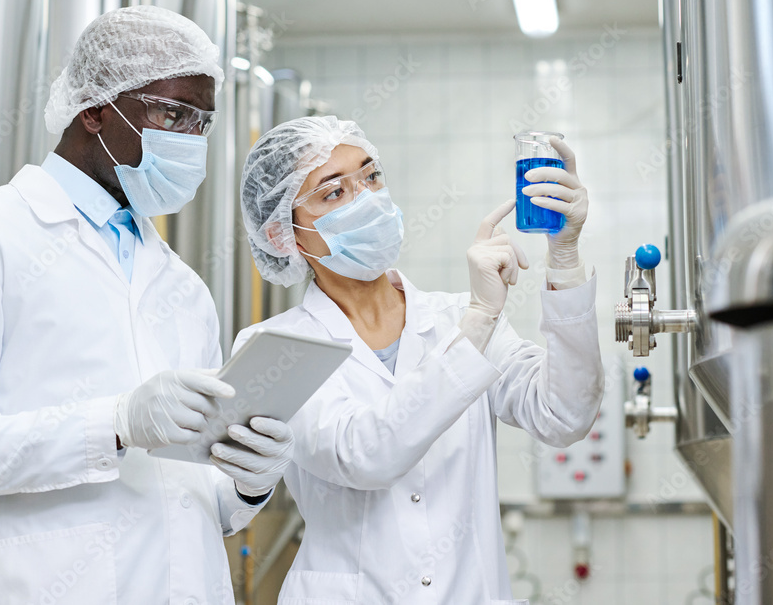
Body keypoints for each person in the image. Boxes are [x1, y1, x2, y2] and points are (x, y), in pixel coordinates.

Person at [0, 6, 294, 605]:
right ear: (96, 109)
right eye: (171, 113)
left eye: (201, 123)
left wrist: (247, 484)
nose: (189, 140)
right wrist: (114, 424)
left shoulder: (183, 287)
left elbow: (194, 497)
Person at [233, 116, 603, 605]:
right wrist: (478, 321)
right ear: (285, 237)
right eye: (333, 193)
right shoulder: (274, 348)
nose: (364, 198)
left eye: (370, 176)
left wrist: (565, 257)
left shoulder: (454, 319)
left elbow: (565, 415)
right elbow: (365, 454)